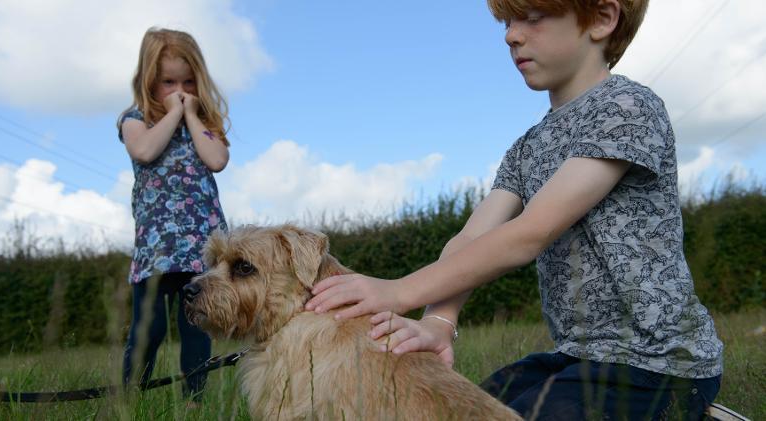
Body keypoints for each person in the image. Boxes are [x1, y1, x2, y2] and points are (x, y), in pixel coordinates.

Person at [305, 0, 723, 419]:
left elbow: (531, 232)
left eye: (533, 18)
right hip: (576, 357)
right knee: (454, 409)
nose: (511, 35)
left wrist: (398, 291)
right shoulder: (526, 148)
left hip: (661, 364)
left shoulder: (628, 108)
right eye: (508, 22)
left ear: (602, 18)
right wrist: (439, 321)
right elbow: (471, 238)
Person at [117, 27, 230, 403]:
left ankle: (194, 401)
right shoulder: (135, 120)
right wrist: (172, 113)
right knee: (148, 330)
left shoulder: (205, 126)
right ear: (149, 80)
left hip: (201, 250)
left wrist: (192, 114)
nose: (179, 90)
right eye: (168, 82)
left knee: (197, 327)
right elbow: (145, 152)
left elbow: (216, 160)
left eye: (187, 82)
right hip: (156, 250)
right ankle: (132, 399)